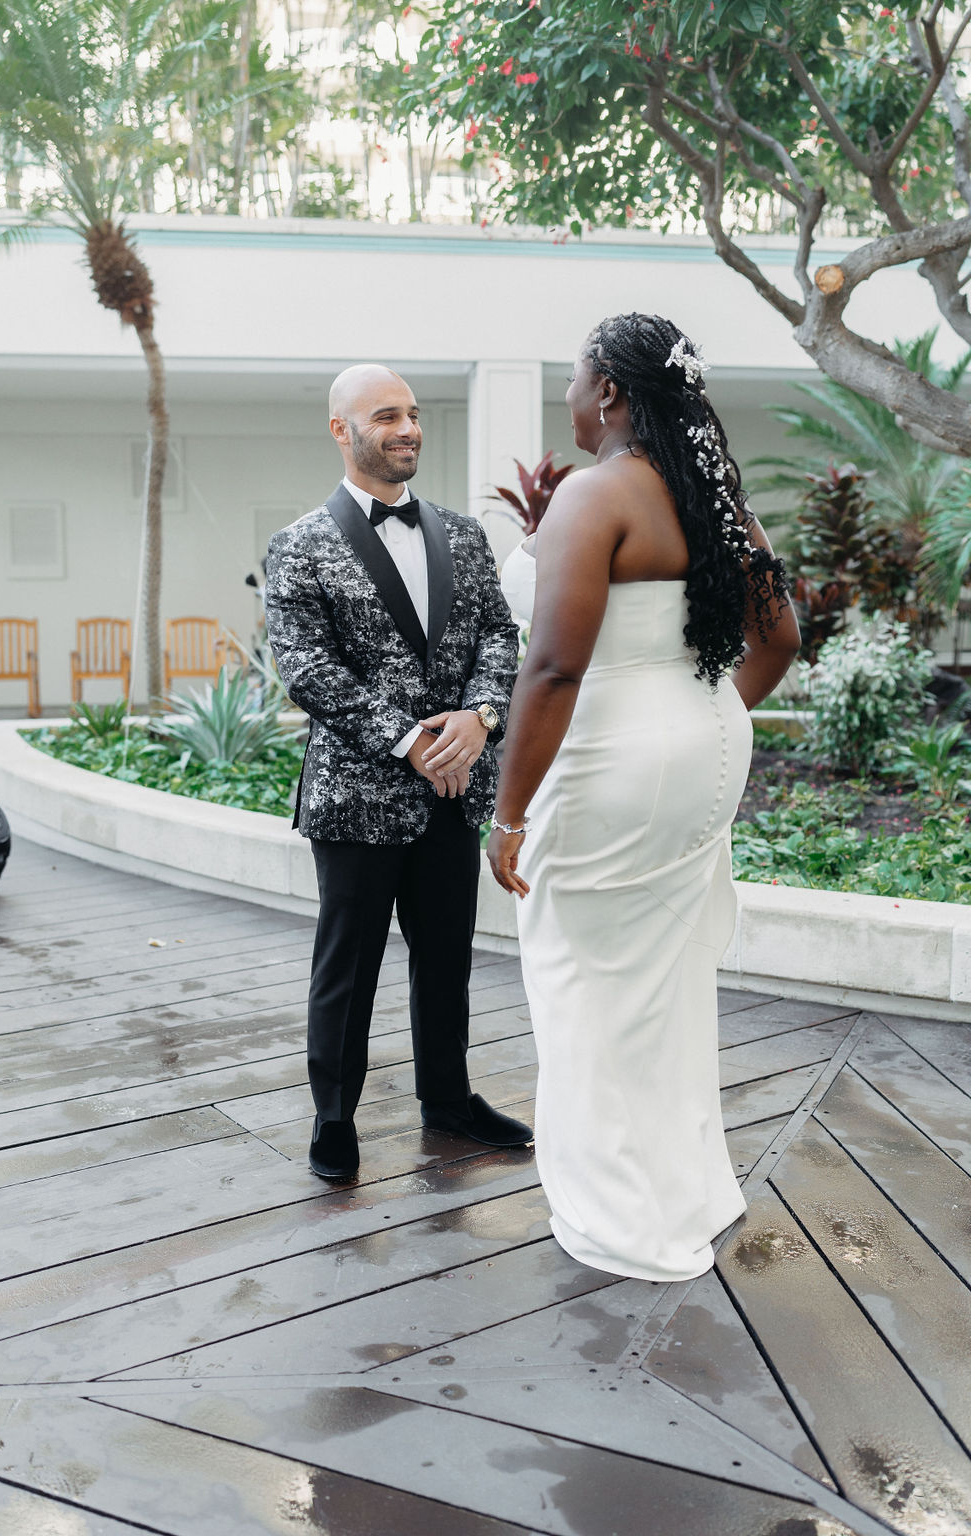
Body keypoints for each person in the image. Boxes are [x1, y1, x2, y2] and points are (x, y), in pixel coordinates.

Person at [487, 313, 800, 1281]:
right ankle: (688, 1188)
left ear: (611, 392)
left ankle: (618, 1218)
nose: (569, 400)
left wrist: (506, 816)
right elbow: (781, 638)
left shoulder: (599, 495)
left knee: (579, 986)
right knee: (664, 987)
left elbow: (549, 672)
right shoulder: (712, 496)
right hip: (705, 757)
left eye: (577, 381)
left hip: (614, 770)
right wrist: (699, 713)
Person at [265, 364, 529, 1180]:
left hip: (454, 793)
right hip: (356, 799)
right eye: (388, 416)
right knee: (348, 965)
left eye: (413, 414)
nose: (409, 428)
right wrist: (410, 738)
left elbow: (499, 637)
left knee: (446, 956)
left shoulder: (464, 534)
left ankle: (447, 1099)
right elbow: (305, 666)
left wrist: (482, 719)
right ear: (342, 430)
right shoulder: (298, 544)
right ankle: (334, 1117)